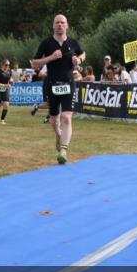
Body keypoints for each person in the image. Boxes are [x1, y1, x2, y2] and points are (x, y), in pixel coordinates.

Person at [31, 14, 85, 165]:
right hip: (52, 84)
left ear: (67, 25)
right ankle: (58, 134)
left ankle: (63, 150)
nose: (60, 25)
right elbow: (34, 64)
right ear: (53, 26)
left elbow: (83, 53)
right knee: (54, 120)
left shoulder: (73, 42)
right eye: (57, 23)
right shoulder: (46, 43)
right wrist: (50, 58)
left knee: (67, 117)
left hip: (69, 84)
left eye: (62, 22)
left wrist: (79, 59)